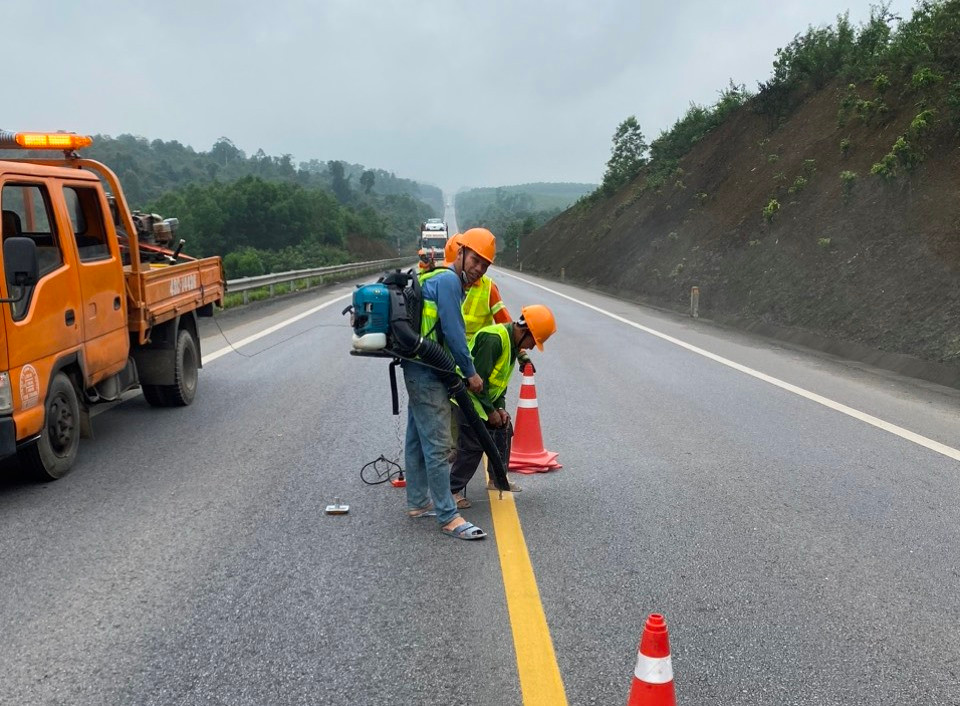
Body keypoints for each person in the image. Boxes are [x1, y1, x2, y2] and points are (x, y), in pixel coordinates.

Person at [402, 227, 496, 540]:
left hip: (421, 366)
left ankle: (417, 502)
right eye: (476, 260)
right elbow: (455, 333)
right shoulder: (448, 281)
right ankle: (447, 515)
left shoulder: (441, 279)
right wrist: (470, 372)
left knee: (417, 438)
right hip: (426, 371)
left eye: (484, 265)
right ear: (461, 253)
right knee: (438, 444)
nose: (479, 268)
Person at [449, 305, 557, 508]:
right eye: (534, 341)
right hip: (466, 397)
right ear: (526, 332)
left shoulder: (512, 344)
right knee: (473, 445)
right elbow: (477, 381)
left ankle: (497, 479)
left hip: (484, 399)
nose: (532, 347)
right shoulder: (494, 339)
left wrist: (500, 408)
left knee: (504, 428)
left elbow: (499, 382)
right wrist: (490, 411)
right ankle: (452, 490)